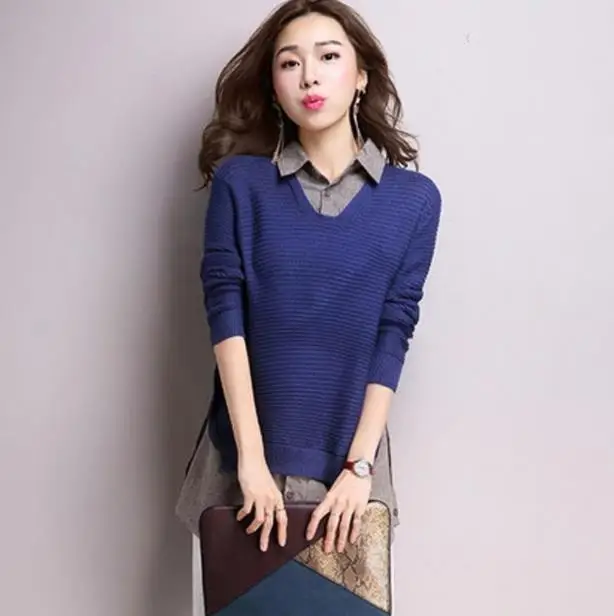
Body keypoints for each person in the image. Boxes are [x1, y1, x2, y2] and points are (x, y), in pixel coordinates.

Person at [175, 0, 442, 559]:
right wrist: (252, 461)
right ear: (274, 88)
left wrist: (360, 466)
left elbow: (394, 330)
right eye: (290, 63)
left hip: (350, 474)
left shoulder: (414, 200)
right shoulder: (240, 185)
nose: (309, 77)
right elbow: (225, 317)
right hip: (242, 464)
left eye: (328, 56)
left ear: (362, 75)